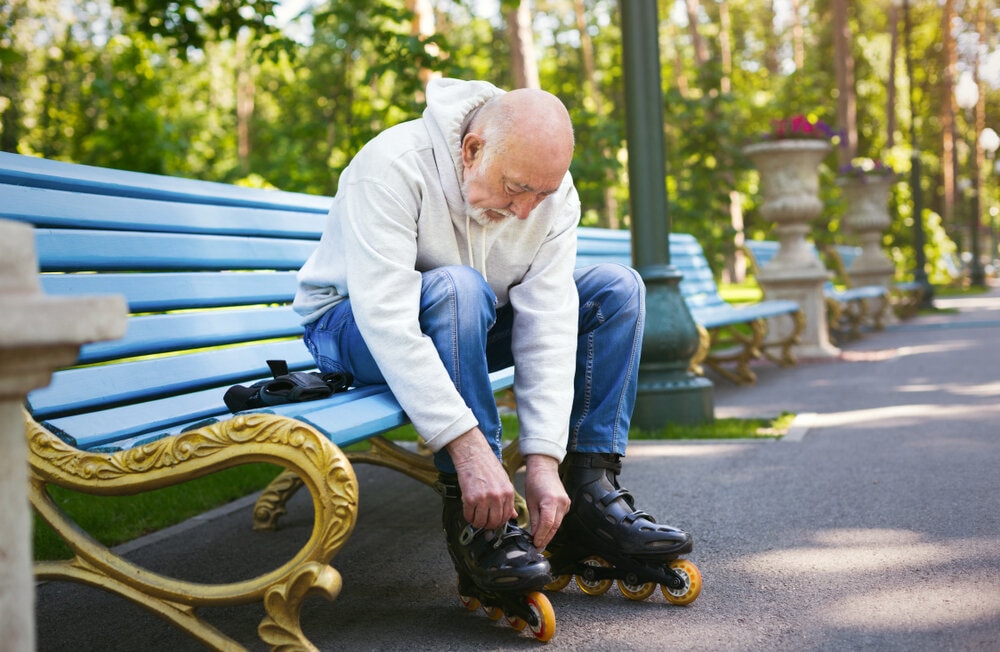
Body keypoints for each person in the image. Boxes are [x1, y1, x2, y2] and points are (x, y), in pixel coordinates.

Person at [293, 78, 694, 617]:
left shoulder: (550, 192)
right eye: (516, 188)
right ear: (472, 149)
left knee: (614, 290)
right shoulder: (392, 165)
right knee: (457, 288)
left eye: (542, 195)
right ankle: (475, 523)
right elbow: (386, 318)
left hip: (468, 323)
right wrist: (469, 447)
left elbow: (550, 321)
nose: (527, 210)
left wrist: (544, 461)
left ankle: (587, 496)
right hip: (352, 330)